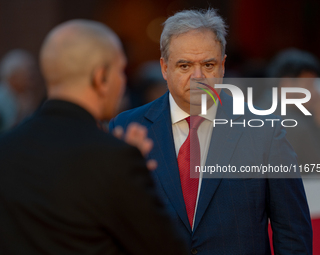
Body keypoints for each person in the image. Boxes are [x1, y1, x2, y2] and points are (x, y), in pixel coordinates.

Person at [111, 9, 312, 254]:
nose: (198, 77)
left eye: (208, 64)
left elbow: (292, 233)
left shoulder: (264, 131)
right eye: (184, 65)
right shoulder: (126, 128)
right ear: (164, 68)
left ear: (223, 66)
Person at [0, 20, 187, 255]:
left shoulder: (5, 148)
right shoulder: (115, 159)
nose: (123, 81)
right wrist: (135, 171)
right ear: (101, 78)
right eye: (120, 71)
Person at [0, 49, 44, 133]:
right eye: (29, 71)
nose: (33, 75)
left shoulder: (25, 96)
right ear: (13, 75)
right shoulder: (1, 100)